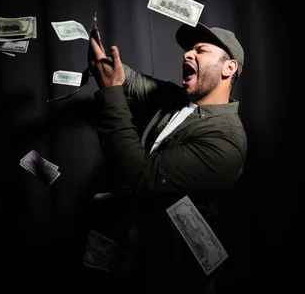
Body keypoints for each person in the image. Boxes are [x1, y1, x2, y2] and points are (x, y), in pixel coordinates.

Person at [87, 21, 247, 293]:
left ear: (228, 68)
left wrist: (109, 91)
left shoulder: (226, 141)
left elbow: (136, 177)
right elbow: (132, 81)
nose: (187, 54)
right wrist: (103, 62)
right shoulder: (177, 100)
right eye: (188, 49)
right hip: (136, 256)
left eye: (201, 50)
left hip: (176, 274)